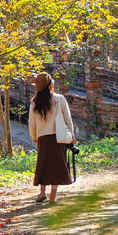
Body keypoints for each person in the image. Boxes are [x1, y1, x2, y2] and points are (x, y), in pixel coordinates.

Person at [28, 72, 75, 203]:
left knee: (43, 164)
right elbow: (68, 118)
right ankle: (53, 194)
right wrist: (72, 135)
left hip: (42, 137)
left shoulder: (34, 103)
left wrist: (34, 137)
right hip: (58, 137)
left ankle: (42, 193)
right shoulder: (59, 99)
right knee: (57, 165)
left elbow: (31, 123)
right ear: (50, 84)